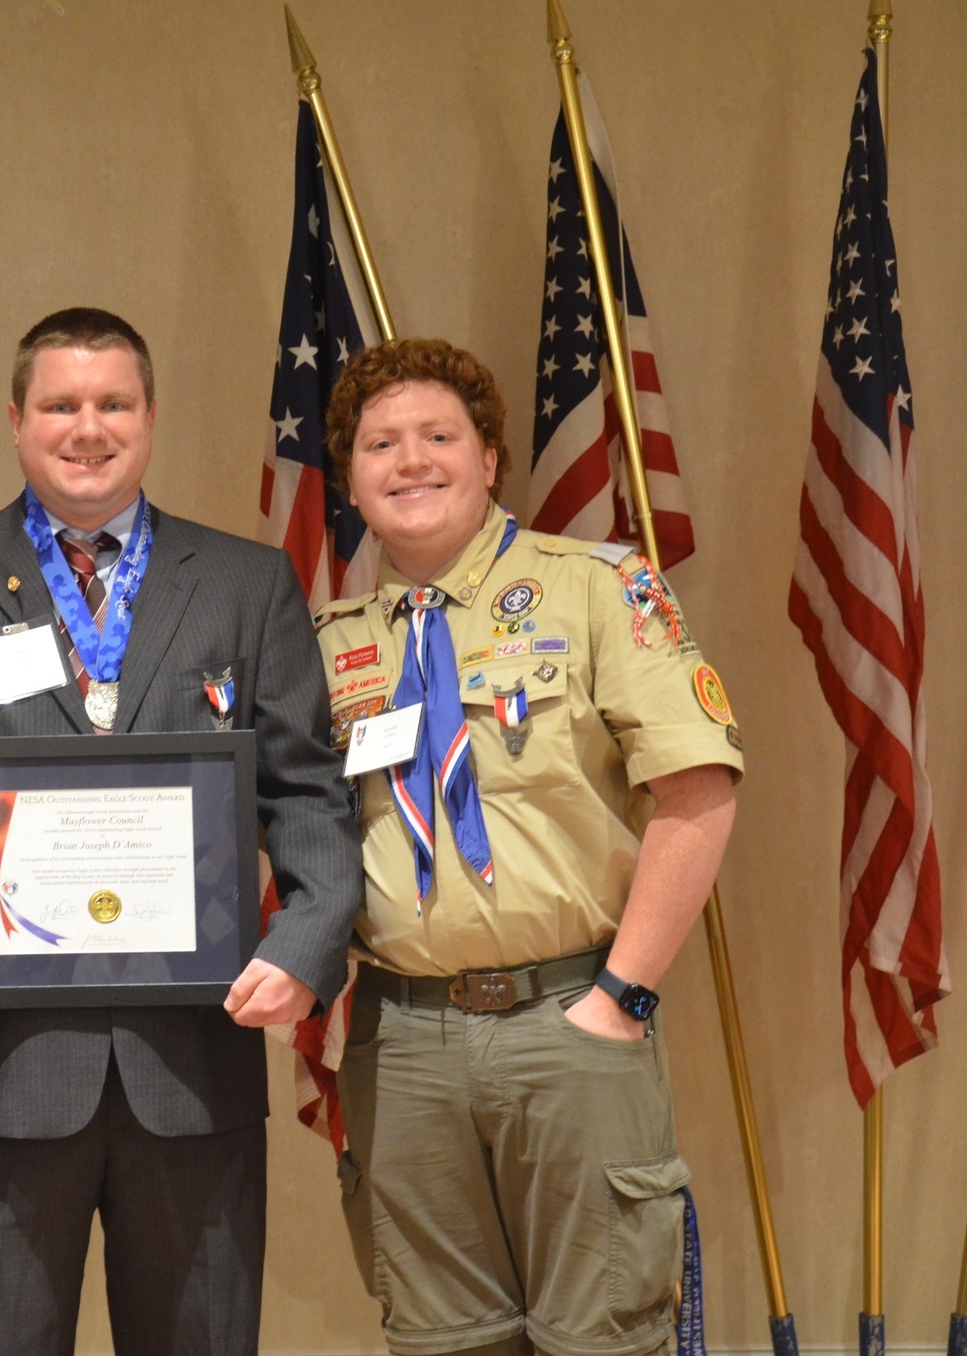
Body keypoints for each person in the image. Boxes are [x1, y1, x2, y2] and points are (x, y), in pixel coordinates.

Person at [0, 307, 360, 1355]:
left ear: (149, 416)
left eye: (112, 403)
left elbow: (307, 792)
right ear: (15, 419)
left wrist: (304, 949)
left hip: (193, 1073)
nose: (88, 427)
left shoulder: (245, 583)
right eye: (60, 405)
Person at [314, 338, 742, 1356]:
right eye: (379, 443)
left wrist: (622, 996)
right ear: (348, 479)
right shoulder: (327, 642)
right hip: (402, 1041)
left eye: (435, 435)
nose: (408, 460)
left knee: (602, 1336)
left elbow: (696, 787)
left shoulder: (595, 589)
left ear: (489, 454)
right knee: (436, 1338)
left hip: (568, 1020)